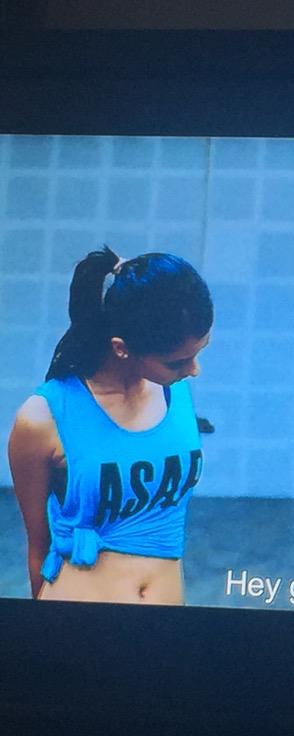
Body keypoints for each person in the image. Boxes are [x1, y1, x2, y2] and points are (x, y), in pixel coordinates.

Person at [8, 247, 213, 604]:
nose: (194, 370)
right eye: (177, 362)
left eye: (198, 353)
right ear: (121, 347)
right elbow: (38, 548)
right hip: (79, 618)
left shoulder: (176, 393)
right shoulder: (43, 417)